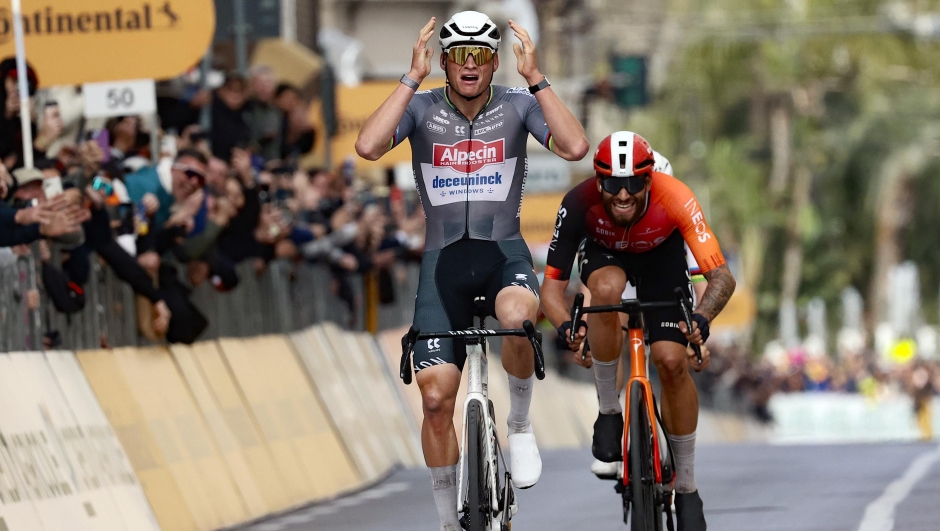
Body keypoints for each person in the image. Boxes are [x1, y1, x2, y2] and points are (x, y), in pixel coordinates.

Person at [355, 11, 588, 531]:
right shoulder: (420, 108)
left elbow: (575, 147)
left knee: (518, 316)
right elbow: (368, 146)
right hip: (442, 266)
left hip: (502, 255)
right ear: (444, 61)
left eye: (480, 56)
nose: (469, 66)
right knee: (436, 400)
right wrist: (410, 78)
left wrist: (536, 77)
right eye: (458, 55)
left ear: (493, 63)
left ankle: (521, 423)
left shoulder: (517, 105)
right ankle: (445, 520)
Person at [540, 131, 736, 531]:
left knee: (669, 360)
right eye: (612, 184)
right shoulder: (579, 203)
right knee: (605, 292)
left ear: (650, 180)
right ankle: (610, 413)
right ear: (598, 181)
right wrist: (566, 329)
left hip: (661, 260)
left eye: (633, 184)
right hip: (606, 256)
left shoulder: (676, 196)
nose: (623, 195)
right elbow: (551, 290)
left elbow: (720, 278)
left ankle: (688, 488)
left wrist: (700, 321)